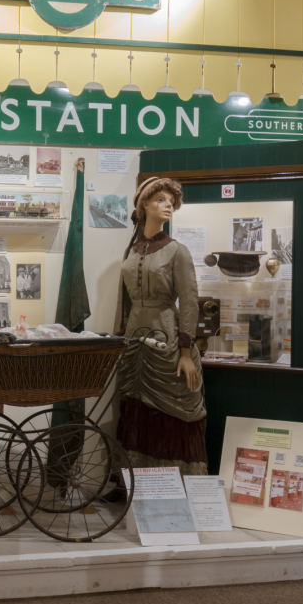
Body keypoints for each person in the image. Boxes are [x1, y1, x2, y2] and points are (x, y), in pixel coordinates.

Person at [113, 177, 207, 476]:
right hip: (134, 339)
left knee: (171, 412)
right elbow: (123, 301)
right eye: (160, 200)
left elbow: (189, 302)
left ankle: (176, 482)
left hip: (167, 337)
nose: (168, 206)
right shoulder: (131, 251)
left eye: (171, 202)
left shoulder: (178, 251)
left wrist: (185, 352)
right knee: (136, 408)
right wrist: (117, 341)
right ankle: (135, 481)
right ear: (144, 206)